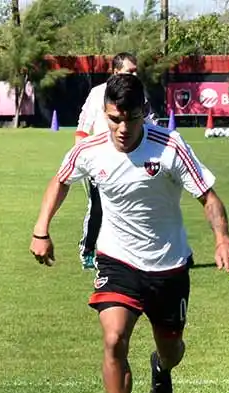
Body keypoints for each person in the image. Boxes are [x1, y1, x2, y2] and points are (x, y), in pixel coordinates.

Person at [30, 73, 229, 393]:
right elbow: (59, 183)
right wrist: (41, 229)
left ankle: (161, 368)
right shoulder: (89, 149)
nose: (122, 129)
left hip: (169, 267)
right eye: (113, 119)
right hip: (117, 261)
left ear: (144, 113)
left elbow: (208, 196)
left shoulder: (170, 146)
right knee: (113, 340)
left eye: (130, 119)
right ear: (104, 114)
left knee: (172, 350)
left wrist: (222, 240)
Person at [74, 52, 154, 270]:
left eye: (136, 70)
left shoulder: (139, 93)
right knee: (98, 207)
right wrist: (83, 161)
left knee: (137, 205)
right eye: (130, 70)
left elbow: (149, 124)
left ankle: (133, 252)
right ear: (116, 72)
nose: (135, 74)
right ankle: (88, 249)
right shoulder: (98, 93)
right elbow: (83, 128)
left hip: (132, 159)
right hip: (100, 160)